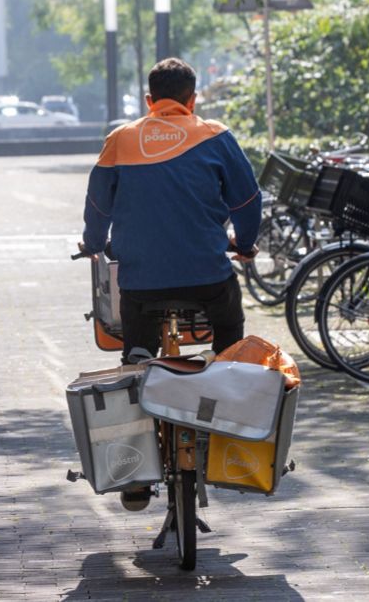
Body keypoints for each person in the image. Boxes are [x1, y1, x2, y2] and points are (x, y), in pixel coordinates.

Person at [80, 58, 262, 510]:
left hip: (141, 283)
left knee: (134, 363)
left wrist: (93, 243)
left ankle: (134, 476)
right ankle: (226, 442)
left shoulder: (120, 140)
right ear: (192, 99)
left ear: (149, 101)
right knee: (229, 345)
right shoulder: (216, 135)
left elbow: (98, 205)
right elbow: (247, 198)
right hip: (208, 277)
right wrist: (246, 242)